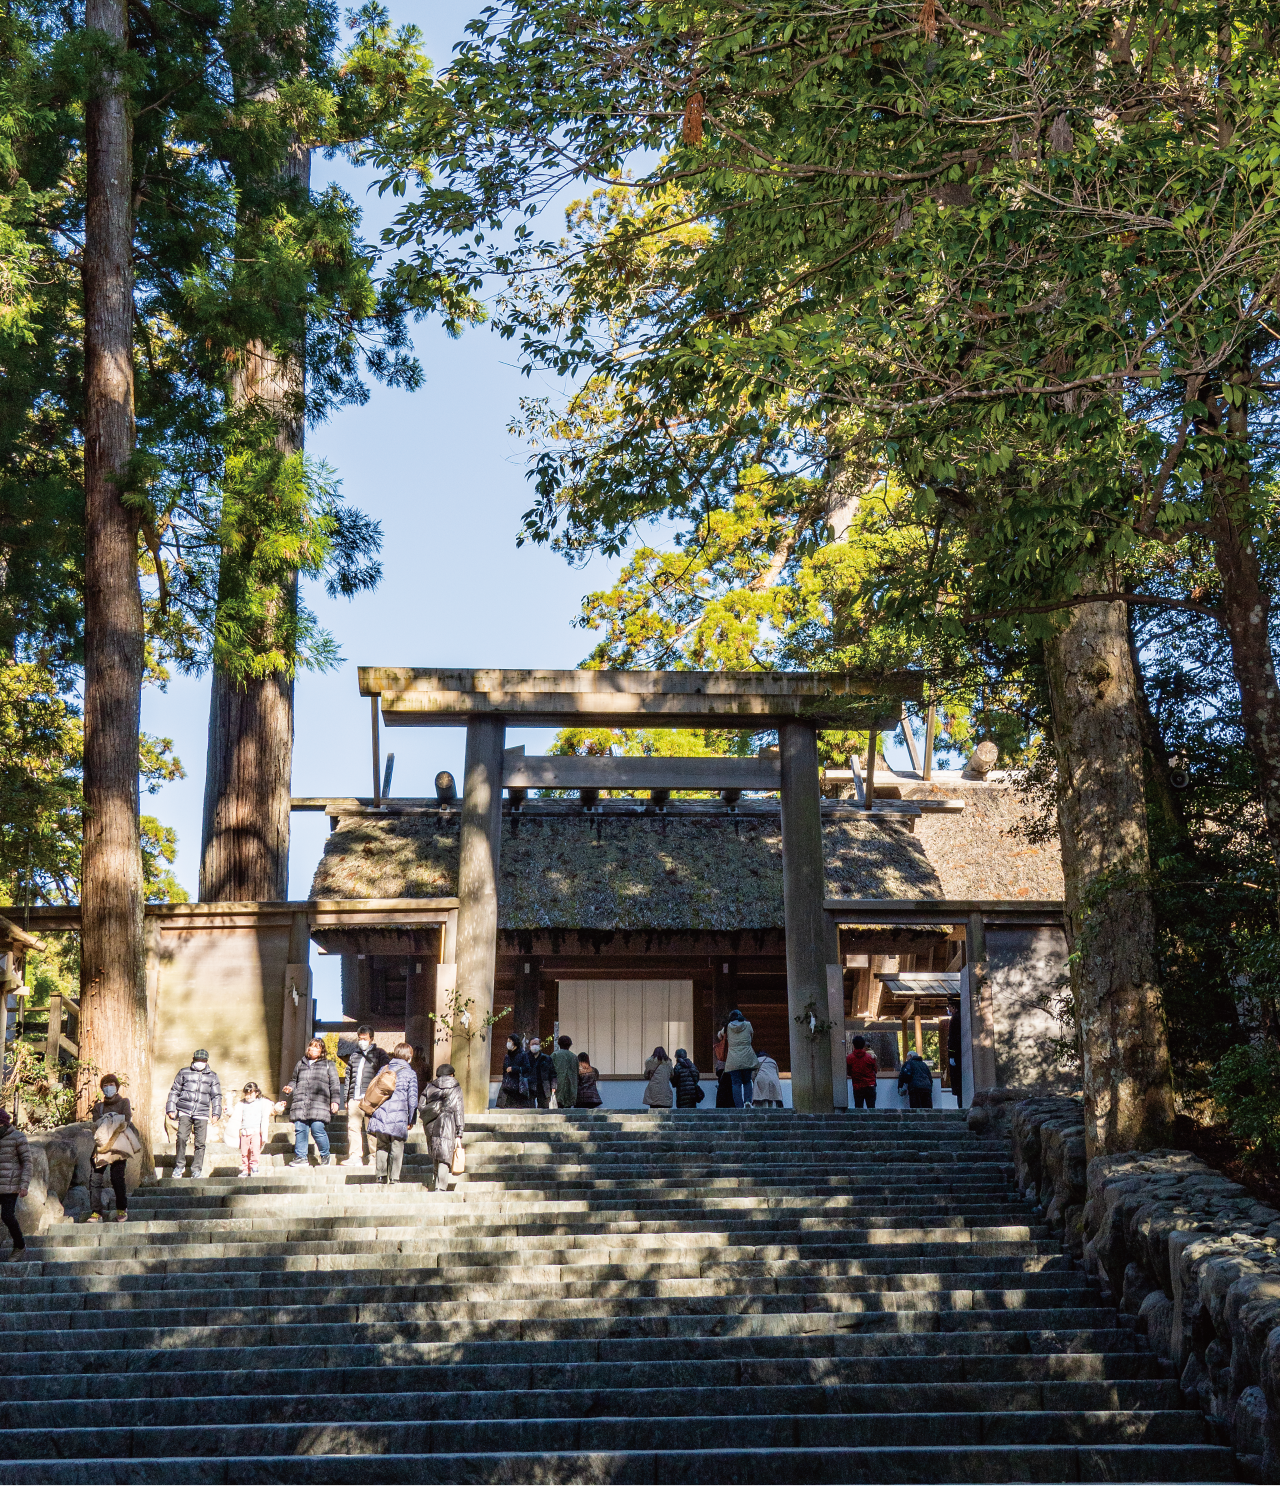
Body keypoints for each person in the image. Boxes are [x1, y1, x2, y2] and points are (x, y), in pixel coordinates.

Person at [282, 1037, 341, 1167]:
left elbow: (335, 1084)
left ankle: (325, 1155)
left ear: (322, 1050)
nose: (314, 1049)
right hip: (300, 1102)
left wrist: (335, 1101)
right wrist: (290, 1088)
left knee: (317, 1129)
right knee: (300, 1129)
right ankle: (301, 1157)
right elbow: (294, 1080)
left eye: (317, 1047)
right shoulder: (300, 1064)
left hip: (319, 1103)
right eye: (312, 1046)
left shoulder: (328, 1064)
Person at [165, 1048, 222, 1179]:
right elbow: (174, 1091)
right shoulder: (184, 1072)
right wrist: (171, 1108)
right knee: (181, 1138)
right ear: (193, 1060)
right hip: (185, 1110)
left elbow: (216, 1096)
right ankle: (179, 1166)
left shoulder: (212, 1076)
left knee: (200, 1143)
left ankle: (196, 1169)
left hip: (202, 1113)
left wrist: (216, 1113)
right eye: (198, 1060)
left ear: (207, 1061)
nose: (200, 1063)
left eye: (203, 1061)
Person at [336, 1025, 388, 1167]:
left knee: (372, 1129)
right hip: (355, 1097)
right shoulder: (354, 1055)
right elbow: (348, 1077)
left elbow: (386, 1074)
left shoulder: (380, 1054)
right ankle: (355, 1156)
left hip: (372, 1098)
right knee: (353, 1127)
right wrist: (347, 1098)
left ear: (371, 1038)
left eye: (364, 1039)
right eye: (360, 1039)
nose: (362, 1041)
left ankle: (374, 1156)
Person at [368, 1041, 419, 1184]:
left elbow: (374, 1088)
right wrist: (411, 1119)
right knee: (397, 1146)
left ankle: (380, 1175)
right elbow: (413, 1098)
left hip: (381, 1111)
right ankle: (394, 1177)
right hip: (400, 1114)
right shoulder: (410, 1073)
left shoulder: (384, 1069)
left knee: (382, 1145)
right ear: (409, 1056)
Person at [88, 1073, 135, 1221]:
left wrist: (109, 1121)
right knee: (95, 1179)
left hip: (118, 1146)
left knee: (117, 1178)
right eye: (106, 1085)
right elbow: (96, 1124)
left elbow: (126, 1120)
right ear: (102, 1088)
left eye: (111, 1085)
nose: (109, 1088)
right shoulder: (98, 1107)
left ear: (117, 1087)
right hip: (101, 1146)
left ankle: (122, 1209)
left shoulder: (124, 1102)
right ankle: (96, 1212)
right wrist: (113, 1119)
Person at [419, 1062, 465, 1190]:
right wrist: (459, 1131)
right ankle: (440, 1186)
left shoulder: (429, 1088)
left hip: (431, 1123)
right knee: (445, 1154)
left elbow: (421, 1106)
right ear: (451, 1075)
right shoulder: (456, 1088)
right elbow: (459, 1110)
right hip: (448, 1122)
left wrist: (431, 1112)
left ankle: (436, 1181)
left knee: (435, 1152)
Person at [0, 1107, 31, 1260]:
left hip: (10, 1186)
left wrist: (24, 1185)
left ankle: (20, 1245)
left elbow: (27, 1162)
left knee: (7, 1215)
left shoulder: (18, 1137)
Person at [230, 1081, 273, 1177]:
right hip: (245, 1132)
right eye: (246, 1094)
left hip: (256, 1131)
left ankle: (254, 1166)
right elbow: (235, 1114)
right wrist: (228, 1111)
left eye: (251, 1094)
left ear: (256, 1093)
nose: (248, 1096)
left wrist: (279, 1107)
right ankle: (246, 1169)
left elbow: (272, 1110)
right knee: (244, 1152)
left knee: (255, 1149)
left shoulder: (262, 1103)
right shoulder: (241, 1104)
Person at [724, 1009, 757, 1108]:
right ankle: (747, 1101)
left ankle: (739, 1105)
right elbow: (751, 1036)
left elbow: (720, 1035)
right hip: (747, 1056)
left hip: (733, 1059)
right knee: (747, 1081)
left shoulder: (728, 1027)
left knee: (736, 1083)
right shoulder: (748, 1024)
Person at [516, 1037, 555, 1109]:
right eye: (533, 1044)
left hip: (543, 1087)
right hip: (528, 1087)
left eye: (536, 1044)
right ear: (529, 1046)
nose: (534, 1046)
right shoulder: (524, 1058)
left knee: (544, 1110)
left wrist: (553, 1086)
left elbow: (553, 1073)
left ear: (540, 1045)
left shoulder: (546, 1058)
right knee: (529, 1110)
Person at [847, 1035, 879, 1110]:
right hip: (870, 1085)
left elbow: (849, 1072)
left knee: (858, 1108)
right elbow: (875, 1070)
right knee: (871, 1108)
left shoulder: (850, 1058)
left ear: (854, 1045)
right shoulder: (869, 1057)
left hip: (857, 1086)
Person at [497, 1035, 530, 1108]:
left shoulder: (523, 1054)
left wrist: (514, 1069)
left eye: (509, 1041)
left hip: (518, 1088)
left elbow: (527, 1068)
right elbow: (504, 1070)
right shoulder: (507, 1056)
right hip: (507, 1087)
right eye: (507, 1041)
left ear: (514, 1042)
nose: (507, 1043)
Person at [551, 1035, 579, 1109]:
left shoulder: (555, 1055)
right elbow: (577, 1073)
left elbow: (549, 1070)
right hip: (571, 1085)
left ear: (559, 1044)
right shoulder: (574, 1057)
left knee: (558, 1106)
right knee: (568, 1108)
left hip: (558, 1085)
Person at [947, 996, 963, 1101]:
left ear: (954, 1007)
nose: (948, 1010)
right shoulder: (962, 1017)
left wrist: (951, 1055)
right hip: (960, 1053)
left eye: (949, 1007)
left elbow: (953, 1038)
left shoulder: (955, 1019)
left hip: (957, 1055)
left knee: (958, 1081)